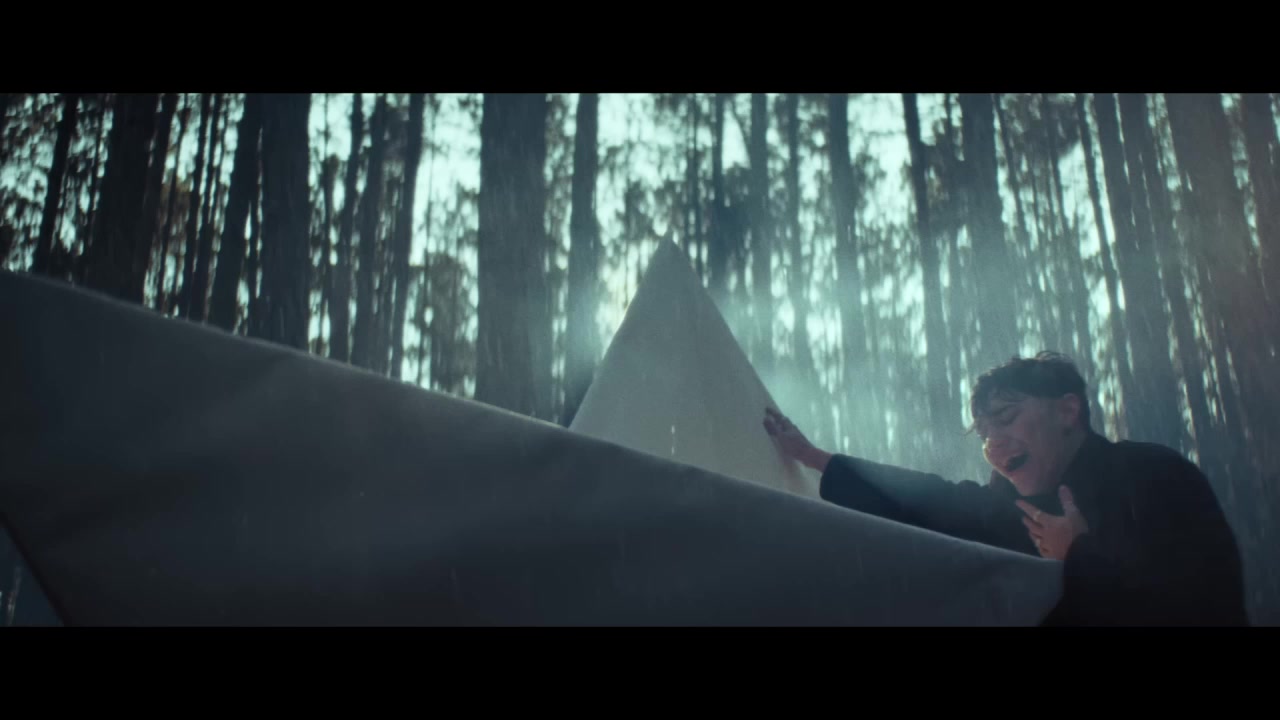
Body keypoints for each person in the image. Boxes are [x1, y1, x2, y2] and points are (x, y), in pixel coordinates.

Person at [763, 352, 1249, 626]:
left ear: (1067, 411)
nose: (993, 443)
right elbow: (928, 500)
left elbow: (1202, 606)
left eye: (1006, 418)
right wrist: (816, 459)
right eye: (983, 433)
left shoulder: (1154, 475)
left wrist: (1079, 554)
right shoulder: (1010, 509)